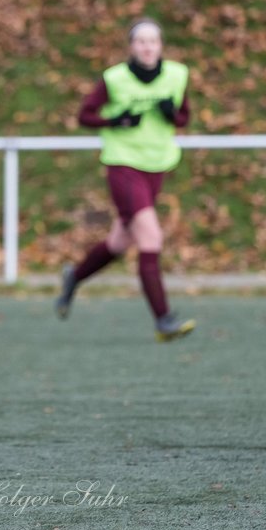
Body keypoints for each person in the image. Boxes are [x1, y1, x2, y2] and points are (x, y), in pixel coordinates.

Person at [56, 18, 196, 342]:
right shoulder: (114, 78)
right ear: (131, 47)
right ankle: (164, 320)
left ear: (161, 46)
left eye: (153, 41)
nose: (147, 47)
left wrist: (169, 114)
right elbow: (85, 115)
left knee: (120, 241)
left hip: (157, 166)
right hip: (123, 165)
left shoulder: (177, 75)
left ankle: (74, 277)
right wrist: (115, 119)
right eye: (141, 41)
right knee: (151, 238)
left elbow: (184, 117)